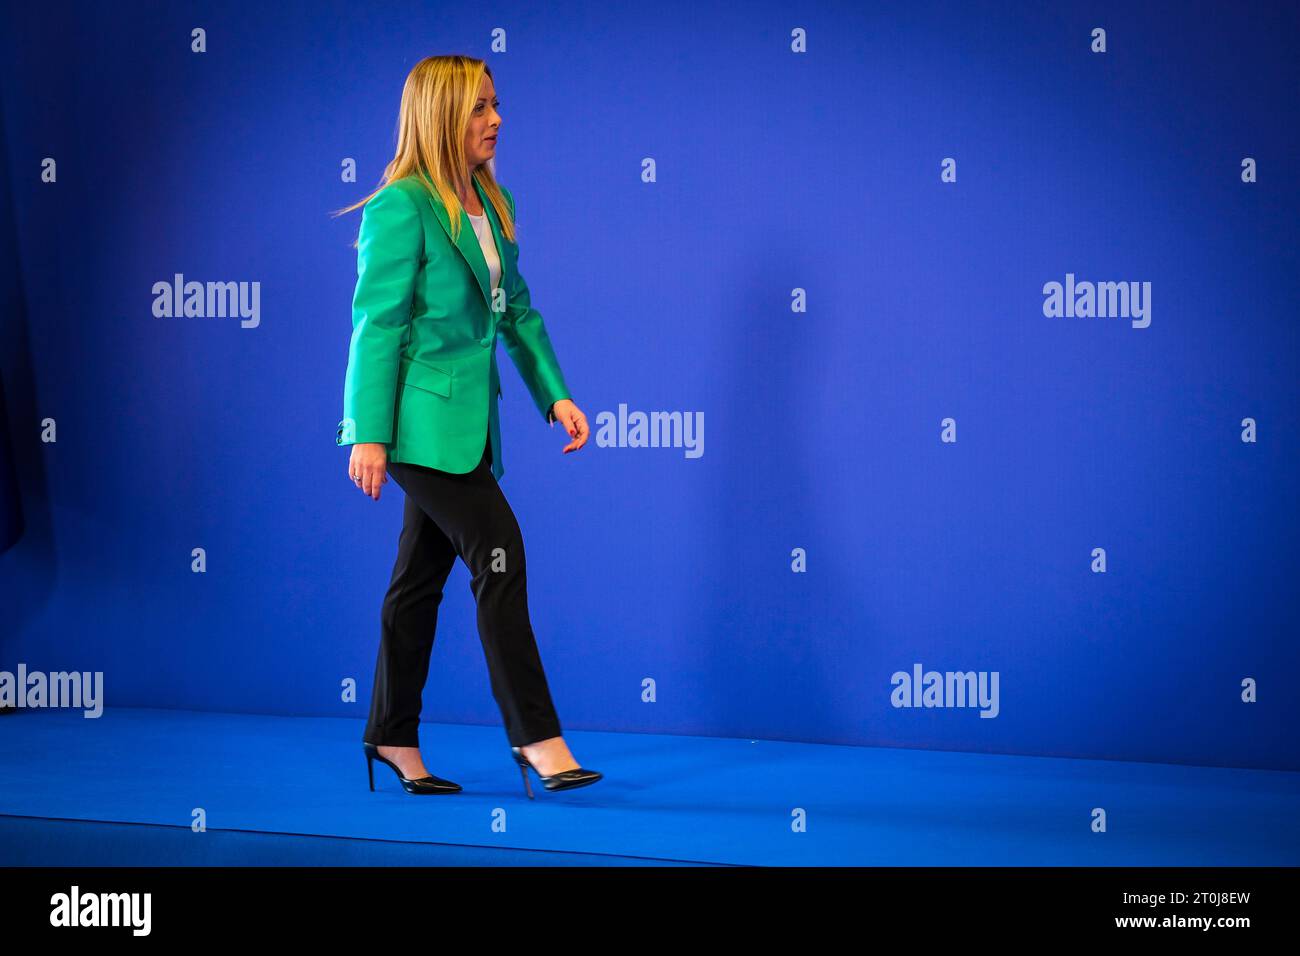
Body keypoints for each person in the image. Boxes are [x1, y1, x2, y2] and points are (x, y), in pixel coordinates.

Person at [333, 54, 601, 799]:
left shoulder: (493, 200)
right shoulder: (400, 207)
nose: (497, 119)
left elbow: (514, 310)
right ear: (443, 117)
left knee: (417, 581)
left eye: (496, 104)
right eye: (480, 108)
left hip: (471, 428)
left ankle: (390, 735)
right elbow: (376, 324)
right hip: (415, 427)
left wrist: (555, 395)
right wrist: (367, 432)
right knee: (500, 551)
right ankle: (537, 738)